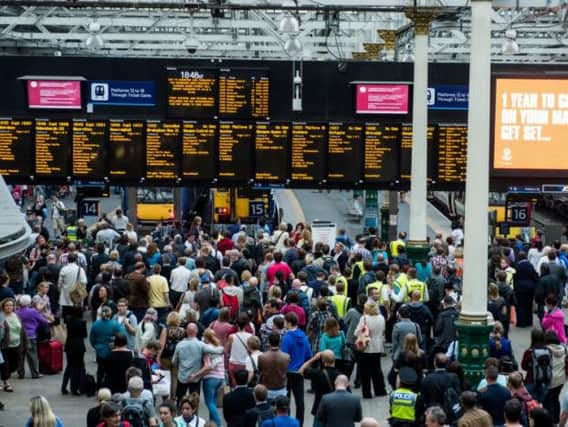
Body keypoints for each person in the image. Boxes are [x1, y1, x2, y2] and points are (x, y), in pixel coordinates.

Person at [172, 322, 223, 404]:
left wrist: (180, 366)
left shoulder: (179, 345)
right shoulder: (201, 345)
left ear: (186, 331)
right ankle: (194, 415)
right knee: (194, 400)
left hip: (182, 376)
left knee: (180, 399)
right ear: (196, 331)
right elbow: (218, 351)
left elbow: (174, 361)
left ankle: (179, 414)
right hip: (195, 377)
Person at [281, 312, 312, 427]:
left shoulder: (286, 338)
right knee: (300, 401)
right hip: (300, 372)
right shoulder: (303, 337)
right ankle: (300, 423)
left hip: (288, 373)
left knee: (286, 401)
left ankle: (287, 423)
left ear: (289, 323)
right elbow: (309, 354)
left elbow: (284, 356)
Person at [190, 328, 225, 427]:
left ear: (205, 337)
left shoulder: (207, 349)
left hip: (210, 378)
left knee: (209, 402)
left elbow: (208, 366)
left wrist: (196, 374)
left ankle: (218, 424)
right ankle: (212, 423)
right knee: (213, 402)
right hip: (220, 378)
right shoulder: (219, 348)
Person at [354, 301, 387, 398]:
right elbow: (383, 330)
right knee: (377, 369)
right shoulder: (381, 318)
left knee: (365, 371)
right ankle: (380, 390)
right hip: (377, 345)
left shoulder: (364, 318)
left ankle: (367, 392)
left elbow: (357, 332)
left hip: (366, 346)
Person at [299, 350, 340, 424]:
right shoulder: (340, 375)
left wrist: (314, 359)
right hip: (335, 411)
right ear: (334, 360)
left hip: (319, 409)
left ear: (322, 361)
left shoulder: (317, 374)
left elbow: (301, 370)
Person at [89, 305, 125, 386]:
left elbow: (91, 339)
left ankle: (98, 386)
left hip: (99, 351)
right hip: (111, 350)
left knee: (100, 370)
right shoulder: (115, 324)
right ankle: (109, 386)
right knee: (110, 371)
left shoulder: (96, 324)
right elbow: (122, 335)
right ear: (111, 313)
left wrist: (96, 346)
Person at [16, 294, 47, 379]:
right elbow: (43, 321)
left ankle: (21, 373)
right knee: (32, 356)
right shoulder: (33, 311)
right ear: (29, 302)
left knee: (20, 356)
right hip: (31, 335)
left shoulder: (17, 312)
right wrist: (36, 324)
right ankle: (35, 373)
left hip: (20, 336)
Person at [520, 328, 552, 403]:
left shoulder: (529, 352)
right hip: (545, 380)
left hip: (531, 380)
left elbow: (523, 367)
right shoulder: (548, 350)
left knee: (532, 404)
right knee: (542, 404)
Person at [61, 305, 87, 395]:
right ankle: (77, 387)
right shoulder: (82, 322)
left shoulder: (69, 320)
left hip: (69, 344)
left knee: (69, 366)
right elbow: (84, 335)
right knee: (80, 366)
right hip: (79, 345)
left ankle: (64, 386)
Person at [1, 297, 24, 392]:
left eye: (11, 305)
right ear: (3, 307)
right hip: (4, 345)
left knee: (15, 364)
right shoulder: (1, 317)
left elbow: (22, 330)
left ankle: (5, 377)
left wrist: (25, 343)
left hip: (17, 344)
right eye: (7, 305)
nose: (9, 307)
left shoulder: (16, 315)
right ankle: (6, 383)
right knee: (5, 365)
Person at [258, 332, 290, 400]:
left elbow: (260, 371)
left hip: (266, 389)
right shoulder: (286, 357)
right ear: (280, 342)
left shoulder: (262, 357)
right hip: (281, 389)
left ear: (269, 342)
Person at [543, 329, 565, 424]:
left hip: (550, 380)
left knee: (548, 401)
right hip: (561, 379)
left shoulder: (545, 350)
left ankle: (550, 421)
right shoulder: (564, 349)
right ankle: (556, 419)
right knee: (556, 399)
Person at [58, 252, 87, 319]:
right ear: (76, 260)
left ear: (68, 259)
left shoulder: (63, 269)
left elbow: (59, 283)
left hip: (65, 297)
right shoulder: (80, 269)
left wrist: (60, 291)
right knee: (76, 318)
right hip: (77, 297)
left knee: (66, 318)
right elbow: (84, 281)